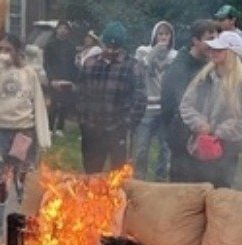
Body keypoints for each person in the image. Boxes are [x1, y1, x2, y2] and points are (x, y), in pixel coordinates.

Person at [0, 33, 50, 245]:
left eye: (8, 49)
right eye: (0, 49)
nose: (4, 54)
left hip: (22, 134)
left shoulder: (29, 73)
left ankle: (28, 232)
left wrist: (43, 137)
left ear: (18, 50)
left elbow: (38, 104)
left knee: (23, 183)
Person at [179, 30, 242, 188]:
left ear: (231, 53)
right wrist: (199, 123)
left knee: (220, 196)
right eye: (213, 48)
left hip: (226, 151)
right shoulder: (204, 77)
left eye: (219, 49)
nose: (213, 52)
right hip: (199, 146)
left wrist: (221, 131)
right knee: (197, 193)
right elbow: (186, 105)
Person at [75, 21, 145, 174]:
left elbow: (139, 100)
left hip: (118, 130)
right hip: (92, 129)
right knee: (91, 175)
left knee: (118, 177)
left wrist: (126, 124)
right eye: (108, 46)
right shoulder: (90, 63)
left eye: (116, 47)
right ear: (102, 42)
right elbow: (80, 94)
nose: (111, 50)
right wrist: (83, 121)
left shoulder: (133, 66)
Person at [162, 19, 218, 183]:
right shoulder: (179, 68)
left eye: (215, 38)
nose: (214, 44)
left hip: (203, 136)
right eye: (210, 38)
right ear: (195, 40)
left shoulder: (208, 64)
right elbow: (178, 105)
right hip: (182, 137)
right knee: (183, 189)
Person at [133, 20, 177, 181]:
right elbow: (141, 67)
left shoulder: (175, 56)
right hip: (147, 107)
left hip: (165, 109)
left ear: (171, 36)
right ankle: (139, 178)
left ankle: (160, 180)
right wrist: (156, 51)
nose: (164, 37)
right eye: (160, 34)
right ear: (154, 36)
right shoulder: (143, 51)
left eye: (167, 34)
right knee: (142, 148)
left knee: (165, 148)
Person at [43, 20, 76, 137]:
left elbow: (73, 64)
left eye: (65, 28)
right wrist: (51, 79)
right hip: (54, 79)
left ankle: (60, 128)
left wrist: (73, 81)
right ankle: (50, 127)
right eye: (61, 28)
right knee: (54, 104)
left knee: (64, 104)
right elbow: (47, 63)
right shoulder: (50, 44)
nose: (63, 30)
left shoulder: (71, 46)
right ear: (57, 30)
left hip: (66, 78)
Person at [212, 4, 242, 84]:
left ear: (232, 20)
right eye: (218, 19)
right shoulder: (216, 40)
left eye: (222, 19)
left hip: (239, 88)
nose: (218, 22)